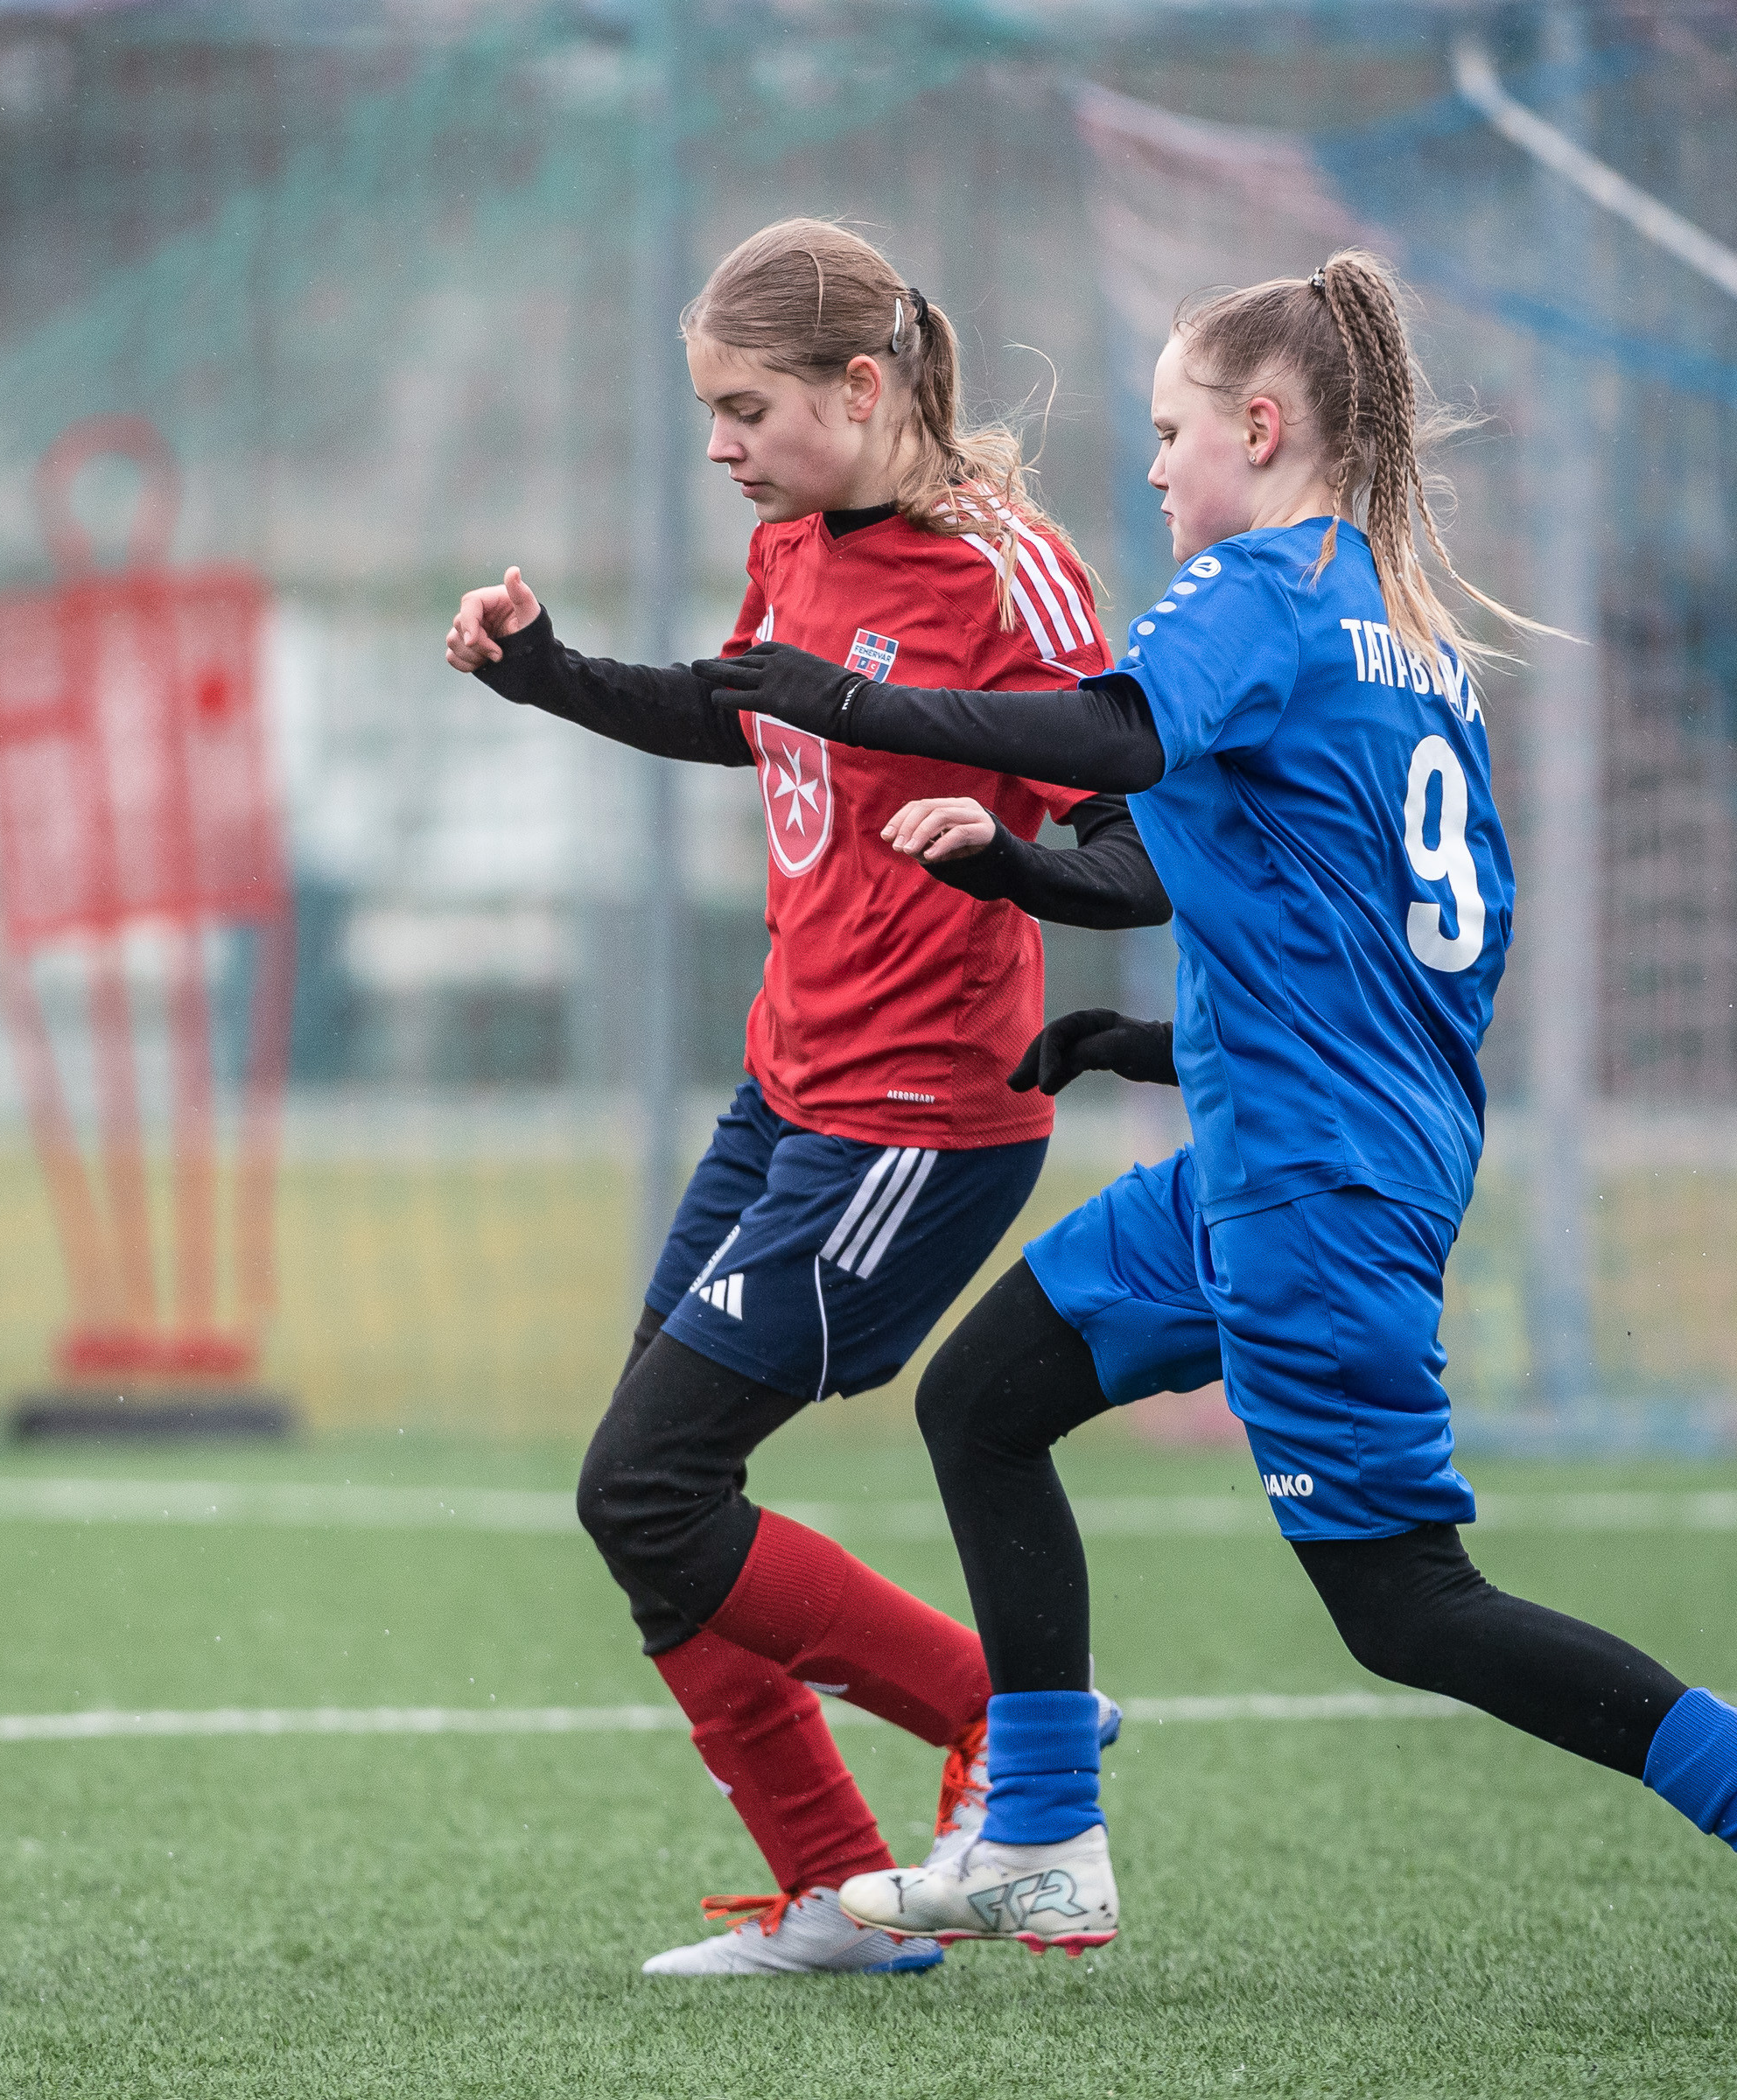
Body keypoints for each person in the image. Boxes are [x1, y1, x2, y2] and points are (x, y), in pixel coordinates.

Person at [692, 248, 1737, 2020]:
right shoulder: (1402, 636)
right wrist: (1155, 1040)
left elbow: (1113, 735)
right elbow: (1402, 946)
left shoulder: (1256, 588)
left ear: (1262, 430)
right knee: (984, 1401)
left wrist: (849, 700)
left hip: (1312, 1186)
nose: (1152, 470)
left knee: (1404, 1602)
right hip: (1290, 1152)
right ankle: (1039, 1830)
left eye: (1170, 433)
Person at [441, 219, 1156, 1978]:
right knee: (646, 1506)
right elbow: (746, 712)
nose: (718, 444)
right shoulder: (792, 541)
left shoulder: (1007, 570)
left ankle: (1006, 1719)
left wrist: (1004, 862)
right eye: (709, 410)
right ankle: (838, 1893)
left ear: (859, 385)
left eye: (743, 407)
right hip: (787, 1094)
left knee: (648, 1488)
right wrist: (548, 673)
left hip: (917, 1123)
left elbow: (1136, 838)